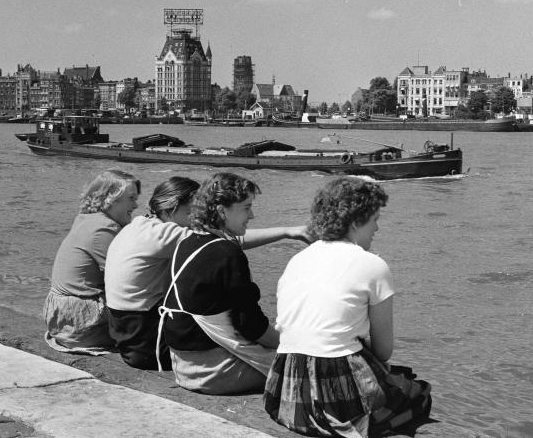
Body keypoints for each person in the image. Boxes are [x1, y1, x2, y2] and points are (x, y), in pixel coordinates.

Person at [263, 177, 432, 437]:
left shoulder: (298, 259)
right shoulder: (372, 265)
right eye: (375, 219)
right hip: (337, 389)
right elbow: (384, 351)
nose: (377, 228)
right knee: (418, 393)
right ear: (355, 222)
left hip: (287, 389)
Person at [106, 175, 308, 371]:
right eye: (192, 212)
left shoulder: (140, 224)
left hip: (125, 331)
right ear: (171, 209)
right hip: (148, 341)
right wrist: (288, 232)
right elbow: (226, 241)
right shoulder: (166, 233)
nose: (198, 218)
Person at [159, 172, 283, 394]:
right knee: (305, 366)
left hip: (182, 365)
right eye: (246, 207)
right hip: (215, 371)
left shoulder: (186, 243)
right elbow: (252, 326)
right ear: (221, 211)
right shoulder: (227, 253)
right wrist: (287, 344)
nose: (252, 215)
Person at [42, 169, 140, 355]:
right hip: (83, 325)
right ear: (110, 199)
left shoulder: (85, 219)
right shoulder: (105, 228)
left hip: (62, 318)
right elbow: (127, 280)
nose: (136, 205)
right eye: (131, 198)